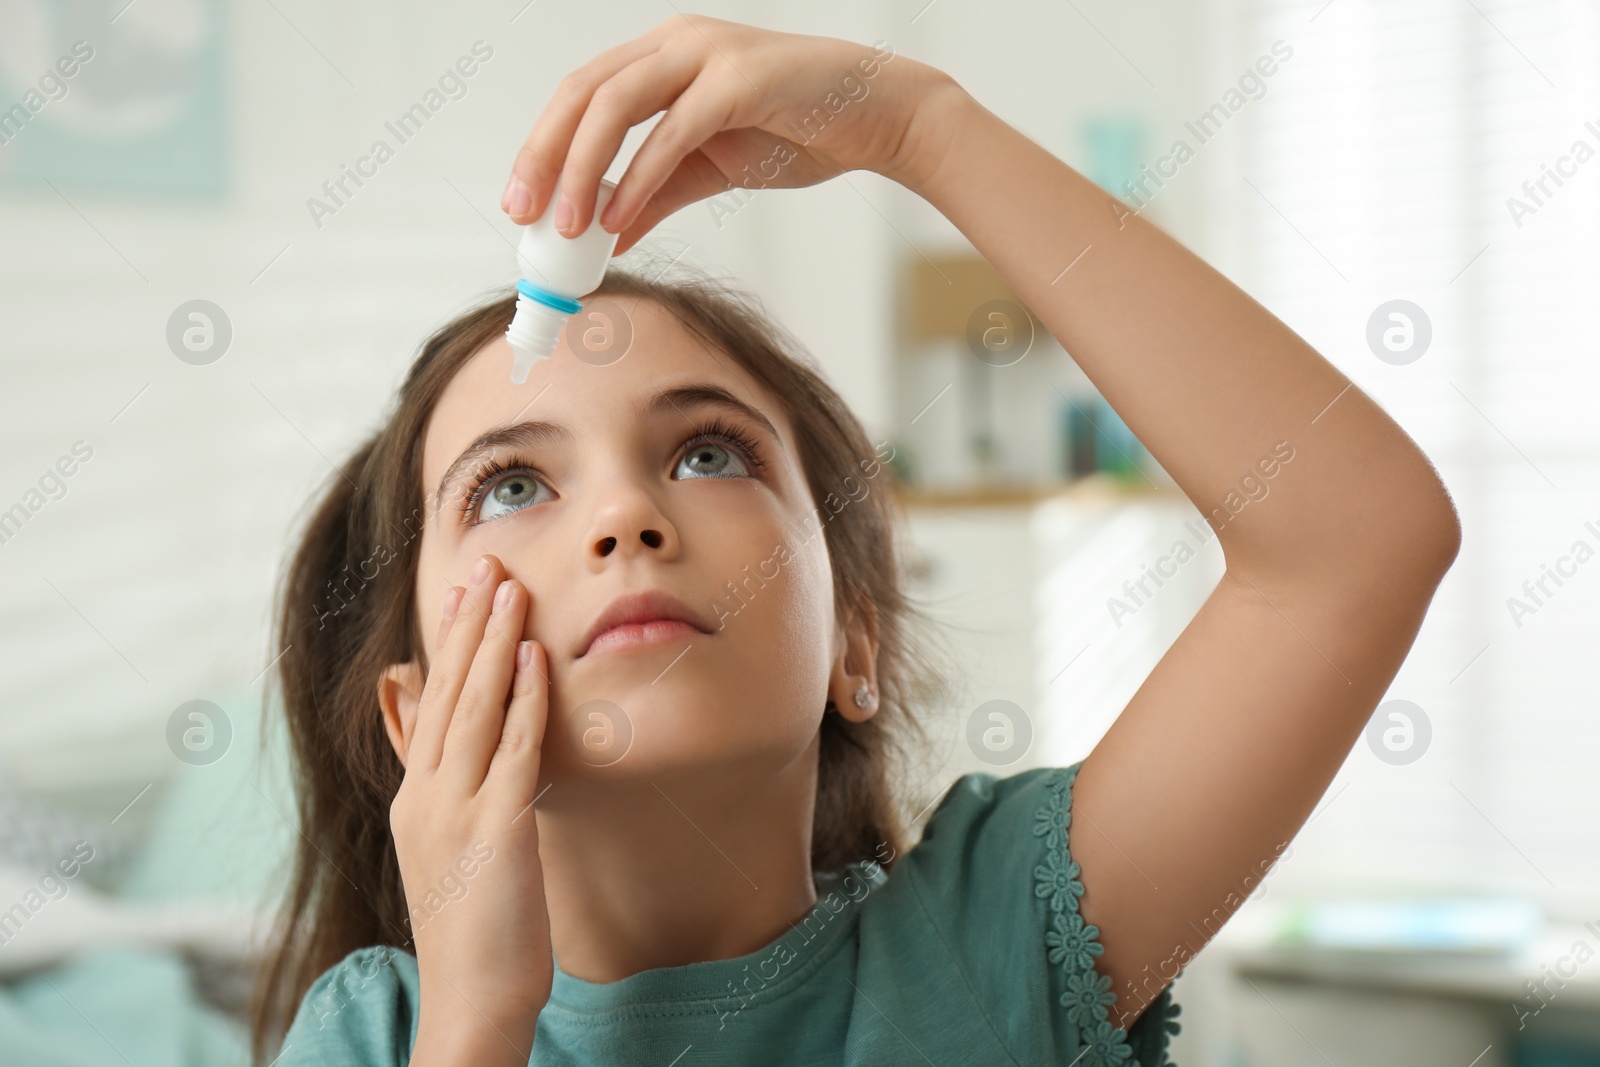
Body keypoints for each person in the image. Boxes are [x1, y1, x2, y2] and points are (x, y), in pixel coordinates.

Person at [251, 16, 1461, 1066]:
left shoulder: (998, 945)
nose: (626, 515)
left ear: (853, 641)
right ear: (415, 720)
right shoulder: (380, 1036)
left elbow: (1352, 542)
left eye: (709, 452)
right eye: (511, 485)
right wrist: (475, 1019)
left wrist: (920, 127)